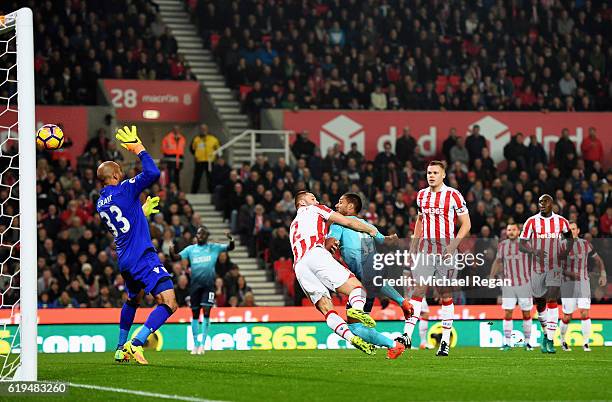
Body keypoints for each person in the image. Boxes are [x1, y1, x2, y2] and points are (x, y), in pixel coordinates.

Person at [96, 125, 177, 365]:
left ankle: (120, 348)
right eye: (119, 171)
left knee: (133, 300)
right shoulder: (124, 189)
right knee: (169, 302)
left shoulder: (101, 202)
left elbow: (125, 223)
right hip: (143, 257)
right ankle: (137, 342)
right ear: (114, 176)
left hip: (125, 260)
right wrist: (139, 149)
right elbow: (152, 173)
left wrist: (141, 212)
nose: (121, 174)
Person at [290, 190, 382, 355]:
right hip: (315, 253)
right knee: (356, 288)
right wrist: (372, 230)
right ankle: (358, 310)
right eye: (312, 198)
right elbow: (348, 222)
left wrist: (327, 244)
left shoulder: (293, 225)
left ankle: (351, 338)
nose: (316, 200)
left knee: (327, 309)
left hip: (299, 266)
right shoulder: (315, 209)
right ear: (302, 203)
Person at [325, 192, 409, 359]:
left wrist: (324, 247)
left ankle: (394, 345)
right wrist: (392, 240)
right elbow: (385, 242)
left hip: (362, 278)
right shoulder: (369, 226)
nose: (336, 206)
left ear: (350, 207)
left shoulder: (339, 224)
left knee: (354, 327)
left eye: (340, 202)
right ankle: (392, 342)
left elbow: (328, 246)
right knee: (359, 324)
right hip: (370, 276)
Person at [402, 160, 471, 357]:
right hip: (425, 251)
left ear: (443, 175)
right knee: (418, 290)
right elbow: (420, 220)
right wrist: (414, 245)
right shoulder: (422, 195)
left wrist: (453, 246)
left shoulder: (454, 195)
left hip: (446, 253)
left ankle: (445, 342)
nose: (431, 175)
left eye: (434, 172)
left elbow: (466, 224)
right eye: (428, 172)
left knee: (445, 295)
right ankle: (406, 335)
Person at [519, 194, 573, 354]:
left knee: (552, 300)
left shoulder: (561, 221)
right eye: (540, 202)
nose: (542, 204)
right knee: (540, 302)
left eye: (545, 202)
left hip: (554, 266)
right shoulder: (531, 221)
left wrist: (564, 253)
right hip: (537, 267)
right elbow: (522, 244)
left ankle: (549, 340)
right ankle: (545, 334)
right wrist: (534, 251)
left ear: (552, 204)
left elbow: (570, 238)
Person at [171, 226, 234, 354]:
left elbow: (230, 247)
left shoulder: (213, 247)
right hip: (195, 286)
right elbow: (176, 258)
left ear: (206, 236)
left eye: (201, 234)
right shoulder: (191, 249)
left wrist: (231, 239)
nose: (199, 236)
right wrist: (171, 251)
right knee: (194, 314)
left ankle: (203, 345)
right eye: (198, 234)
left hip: (208, 286)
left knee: (206, 312)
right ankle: (195, 345)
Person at [559, 222, 606, 352]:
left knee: (585, 312)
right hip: (568, 284)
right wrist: (570, 273)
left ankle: (585, 343)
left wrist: (603, 274)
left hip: (584, 283)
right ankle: (563, 340)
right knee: (567, 316)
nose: (571, 231)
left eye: (573, 229)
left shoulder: (585, 244)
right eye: (568, 229)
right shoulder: (561, 246)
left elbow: (599, 260)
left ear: (578, 230)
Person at [489, 223, 534, 351]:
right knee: (508, 313)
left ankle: (527, 342)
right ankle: (508, 343)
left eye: (514, 229)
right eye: (509, 230)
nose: (511, 232)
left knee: (526, 313)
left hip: (525, 284)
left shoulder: (526, 244)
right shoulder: (503, 245)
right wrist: (492, 276)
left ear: (518, 231)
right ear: (506, 232)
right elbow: (497, 261)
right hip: (508, 285)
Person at [190, 124, 221, 193]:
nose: (203, 130)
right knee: (197, 177)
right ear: (200, 130)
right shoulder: (196, 139)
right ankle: (194, 192)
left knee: (210, 178)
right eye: (202, 129)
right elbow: (192, 149)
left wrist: (218, 158)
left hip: (209, 161)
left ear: (207, 129)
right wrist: (196, 155)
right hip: (199, 161)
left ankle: (212, 192)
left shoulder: (213, 139)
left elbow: (218, 149)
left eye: (204, 129)